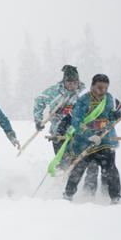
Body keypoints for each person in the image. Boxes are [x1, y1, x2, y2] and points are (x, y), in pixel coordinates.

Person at [55, 74, 121, 204]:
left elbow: (117, 114)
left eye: (105, 88)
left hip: (105, 141)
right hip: (84, 143)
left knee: (110, 169)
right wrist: (89, 135)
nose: (102, 91)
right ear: (92, 86)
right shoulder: (82, 101)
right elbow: (76, 122)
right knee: (78, 169)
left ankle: (115, 199)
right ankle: (68, 197)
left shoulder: (110, 99)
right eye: (99, 88)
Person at [33, 64, 98, 194]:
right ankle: (60, 190)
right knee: (63, 163)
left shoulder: (84, 93)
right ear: (64, 81)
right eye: (69, 82)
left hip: (80, 132)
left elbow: (94, 109)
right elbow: (38, 102)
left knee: (87, 162)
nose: (72, 85)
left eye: (75, 82)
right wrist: (38, 120)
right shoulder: (54, 91)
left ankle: (88, 192)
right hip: (59, 132)